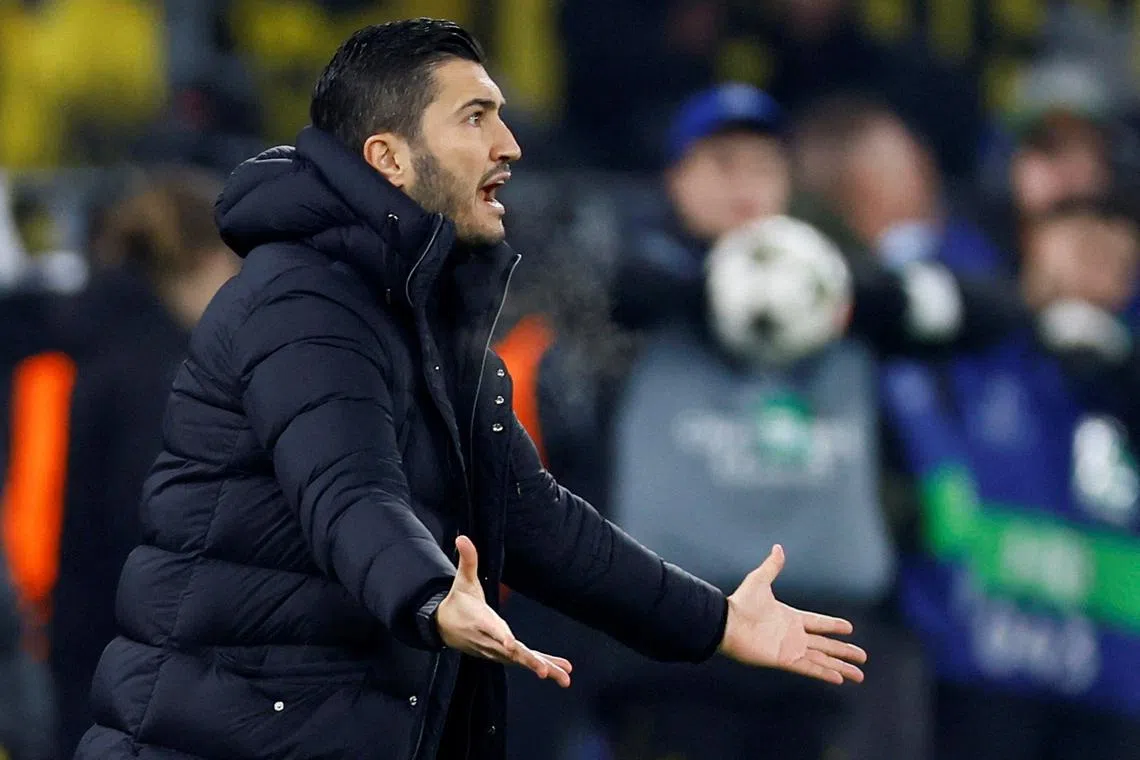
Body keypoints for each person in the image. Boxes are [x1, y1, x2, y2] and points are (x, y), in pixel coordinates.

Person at [74, 19, 866, 760]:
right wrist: (427, 596)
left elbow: (536, 520)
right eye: (475, 118)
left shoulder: (421, 315)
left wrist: (715, 620)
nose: (509, 145)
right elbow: (348, 493)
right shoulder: (303, 301)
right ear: (389, 158)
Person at [50, 168, 239, 758]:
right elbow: (156, 522)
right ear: (204, 260)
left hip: (72, 632)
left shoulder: (88, 336)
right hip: (136, 659)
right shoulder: (163, 370)